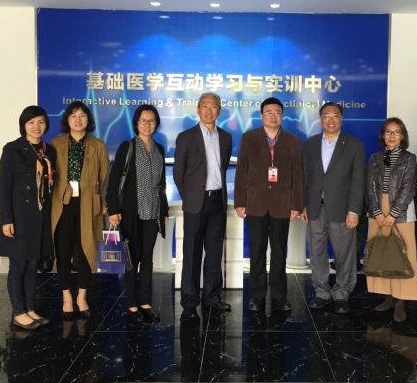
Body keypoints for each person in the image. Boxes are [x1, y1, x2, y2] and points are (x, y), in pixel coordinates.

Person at [234, 97, 303, 312]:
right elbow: (241, 171)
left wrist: (296, 204)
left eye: (277, 112)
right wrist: (240, 201)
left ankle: (280, 296)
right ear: (261, 115)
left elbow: (298, 175)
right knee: (257, 251)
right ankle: (257, 296)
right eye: (269, 112)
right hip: (255, 203)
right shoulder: (249, 138)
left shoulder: (293, 141)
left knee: (279, 252)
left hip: (282, 204)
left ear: (282, 116)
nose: (273, 116)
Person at [106, 104, 169, 323]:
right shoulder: (128, 147)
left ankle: (145, 302)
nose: (147, 125)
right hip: (130, 212)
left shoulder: (159, 149)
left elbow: (162, 184)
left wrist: (164, 210)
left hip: (153, 211)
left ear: (156, 123)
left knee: (147, 258)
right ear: (136, 123)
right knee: (132, 259)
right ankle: (132, 304)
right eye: (143, 120)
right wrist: (113, 209)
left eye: (152, 121)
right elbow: (114, 180)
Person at [0, 105, 55, 329]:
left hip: (40, 216)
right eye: (31, 122)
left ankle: (30, 308)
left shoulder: (49, 151)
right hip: (19, 217)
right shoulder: (12, 149)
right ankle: (19, 312)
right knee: (18, 265)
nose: (36, 126)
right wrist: (6, 219)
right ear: (23, 125)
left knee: (32, 265)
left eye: (40, 122)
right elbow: (5, 187)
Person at [301, 102, 366, 314]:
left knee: (344, 254)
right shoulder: (310, 144)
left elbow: (358, 181)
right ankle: (322, 292)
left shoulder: (354, 145)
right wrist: (304, 205)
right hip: (315, 208)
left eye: (335, 115)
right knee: (317, 252)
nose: (331, 120)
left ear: (341, 118)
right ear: (320, 119)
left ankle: (342, 293)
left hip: (342, 210)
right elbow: (305, 177)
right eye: (326, 115)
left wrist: (354, 211)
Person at [174, 93, 233, 319]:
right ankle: (189, 302)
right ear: (198, 110)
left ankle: (212, 297)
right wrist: (190, 197)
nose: (209, 110)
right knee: (192, 253)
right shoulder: (186, 137)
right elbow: (179, 172)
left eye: (213, 106)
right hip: (196, 203)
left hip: (218, 201)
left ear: (219, 111)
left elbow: (222, 167)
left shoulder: (226, 137)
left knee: (214, 252)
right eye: (205, 106)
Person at [51, 102, 110, 320]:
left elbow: (106, 177)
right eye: (73, 115)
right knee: (63, 251)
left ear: (88, 120)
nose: (78, 120)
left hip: (89, 203)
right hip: (62, 204)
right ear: (67, 119)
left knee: (87, 250)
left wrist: (105, 202)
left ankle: (82, 297)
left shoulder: (98, 145)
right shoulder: (56, 143)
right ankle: (67, 297)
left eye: (82, 115)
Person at [365, 117, 417, 322]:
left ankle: (401, 301)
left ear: (402, 136)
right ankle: (387, 297)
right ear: (383, 135)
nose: (392, 136)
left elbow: (408, 188)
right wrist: (378, 212)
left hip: (401, 211)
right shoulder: (375, 158)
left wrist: (393, 213)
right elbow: (370, 186)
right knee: (382, 252)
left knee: (403, 254)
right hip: (378, 209)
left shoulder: (409, 158)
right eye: (388, 131)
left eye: (396, 132)